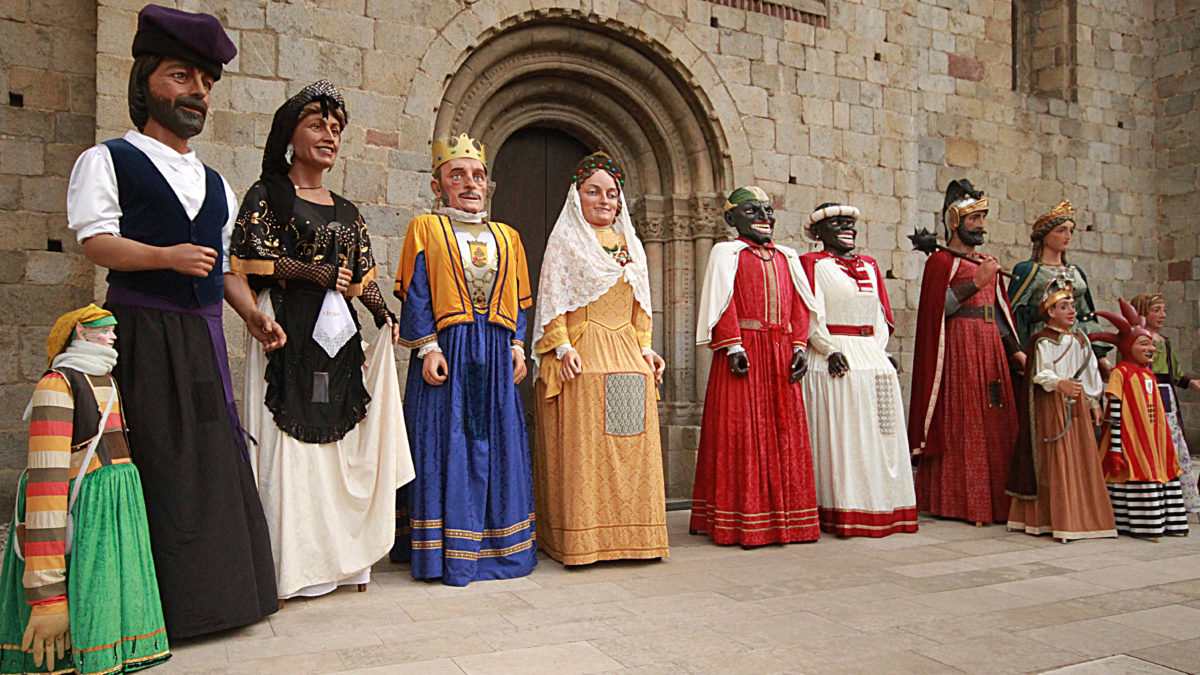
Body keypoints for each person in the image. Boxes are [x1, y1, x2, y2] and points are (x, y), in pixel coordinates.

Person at [66, 5, 279, 637]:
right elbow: (97, 242)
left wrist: (251, 314)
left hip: (202, 341)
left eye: (206, 83)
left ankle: (221, 603)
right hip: (141, 334)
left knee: (210, 462)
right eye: (182, 76)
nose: (197, 92)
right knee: (156, 460)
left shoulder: (214, 183)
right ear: (147, 81)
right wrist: (164, 256)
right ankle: (158, 611)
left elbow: (222, 268)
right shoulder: (108, 160)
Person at [231, 80, 414, 601]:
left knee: (338, 446)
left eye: (335, 128)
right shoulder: (267, 196)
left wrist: (383, 315)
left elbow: (361, 279)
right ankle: (292, 566)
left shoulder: (348, 211)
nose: (329, 135)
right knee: (287, 447)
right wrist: (314, 272)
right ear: (290, 135)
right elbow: (251, 258)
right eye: (317, 126)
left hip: (337, 339)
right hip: (285, 329)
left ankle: (343, 561)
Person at [390, 133, 537, 585]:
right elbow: (416, 292)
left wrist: (517, 346)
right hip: (448, 352)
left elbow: (519, 300)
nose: (470, 184)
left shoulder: (508, 237)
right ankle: (444, 551)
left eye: (477, 175)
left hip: (495, 353)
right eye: (457, 176)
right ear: (438, 187)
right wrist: (428, 346)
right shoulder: (425, 229)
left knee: (495, 441)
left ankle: (497, 545)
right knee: (446, 439)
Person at [0, 306, 170, 674]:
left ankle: (109, 648)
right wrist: (47, 595)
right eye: (105, 330)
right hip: (84, 503)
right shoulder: (56, 385)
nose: (113, 337)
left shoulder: (106, 380)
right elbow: (46, 482)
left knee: (106, 581)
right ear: (79, 332)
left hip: (113, 502)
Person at [531, 152, 668, 564]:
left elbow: (640, 305)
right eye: (594, 191)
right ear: (578, 197)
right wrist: (562, 346)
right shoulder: (567, 242)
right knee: (587, 453)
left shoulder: (632, 245)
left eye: (611, 193)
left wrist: (646, 349)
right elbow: (552, 299)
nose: (604, 200)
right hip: (583, 353)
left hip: (627, 356)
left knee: (630, 448)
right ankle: (583, 541)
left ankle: (636, 537)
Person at [691, 186, 820, 547]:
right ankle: (744, 520)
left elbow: (801, 303)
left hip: (781, 354)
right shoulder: (726, 253)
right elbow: (723, 300)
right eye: (751, 211)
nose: (764, 217)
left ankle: (790, 522)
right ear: (730, 218)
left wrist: (799, 346)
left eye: (767, 210)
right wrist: (733, 344)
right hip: (744, 352)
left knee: (785, 432)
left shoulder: (788, 257)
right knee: (742, 433)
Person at [908, 179, 1025, 526]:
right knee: (967, 421)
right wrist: (975, 282)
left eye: (983, 219)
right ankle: (962, 503)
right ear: (955, 221)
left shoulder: (988, 261)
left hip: (991, 348)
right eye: (974, 219)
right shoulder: (941, 262)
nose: (980, 225)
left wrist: (1016, 353)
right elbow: (937, 310)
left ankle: (999, 503)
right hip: (959, 346)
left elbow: (1000, 313)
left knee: (997, 421)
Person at [800, 203, 917, 538]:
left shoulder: (870, 265)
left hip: (870, 354)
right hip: (834, 354)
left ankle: (885, 505)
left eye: (849, 222)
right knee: (847, 436)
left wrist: (879, 350)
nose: (846, 228)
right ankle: (845, 509)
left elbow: (879, 313)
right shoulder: (812, 264)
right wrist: (828, 348)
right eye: (837, 223)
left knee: (882, 435)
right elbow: (810, 312)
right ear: (818, 232)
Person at [1006, 274, 1116, 542]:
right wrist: (1059, 383)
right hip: (1052, 405)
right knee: (1056, 458)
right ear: (1050, 311)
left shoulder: (1080, 340)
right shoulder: (1042, 340)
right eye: (1063, 306)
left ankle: (1081, 517)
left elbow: (1089, 371)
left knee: (1081, 456)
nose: (1071, 311)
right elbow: (1039, 372)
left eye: (1072, 306)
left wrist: (1093, 400)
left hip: (1076, 403)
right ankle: (1054, 518)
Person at [1093, 298, 1188, 540]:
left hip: (1155, 440)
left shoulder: (1148, 374)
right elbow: (1115, 414)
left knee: (1164, 471)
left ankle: (1169, 521)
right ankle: (1142, 524)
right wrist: (1115, 449)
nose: (1152, 349)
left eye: (1151, 344)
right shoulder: (1121, 373)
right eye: (1144, 344)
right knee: (1135, 473)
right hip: (1131, 440)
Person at [1008, 200, 1112, 370]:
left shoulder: (1076, 272)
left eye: (1071, 230)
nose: (1067, 236)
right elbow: (1015, 314)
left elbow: (1086, 315)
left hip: (1075, 341)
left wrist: (1100, 356)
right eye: (1061, 230)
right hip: (1043, 341)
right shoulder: (1030, 270)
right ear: (1044, 235)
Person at [1129, 293, 1200, 515]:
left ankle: (1176, 498)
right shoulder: (1135, 340)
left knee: (1172, 444)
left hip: (1166, 396)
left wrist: (1192, 383)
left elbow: (1175, 372)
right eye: (1156, 310)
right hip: (1146, 395)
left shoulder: (1165, 342)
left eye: (1164, 310)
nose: (1163, 315)